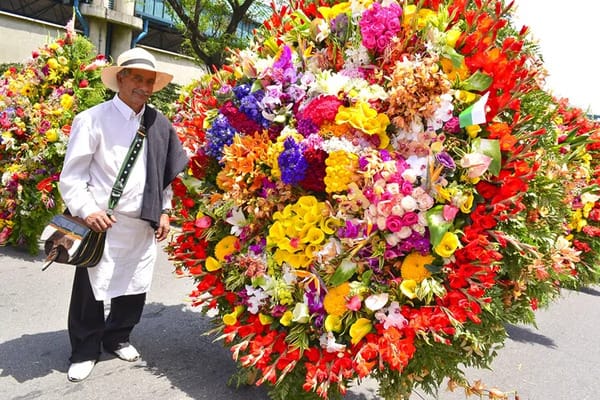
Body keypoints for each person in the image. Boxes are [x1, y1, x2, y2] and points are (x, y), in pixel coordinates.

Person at [58, 47, 189, 382]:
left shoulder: (158, 123)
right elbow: (72, 177)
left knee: (134, 284)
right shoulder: (91, 119)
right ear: (120, 78)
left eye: (149, 81)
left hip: (141, 222)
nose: (143, 86)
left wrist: (164, 211)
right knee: (92, 289)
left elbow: (163, 175)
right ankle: (85, 349)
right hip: (102, 222)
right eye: (137, 78)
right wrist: (87, 210)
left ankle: (118, 336)